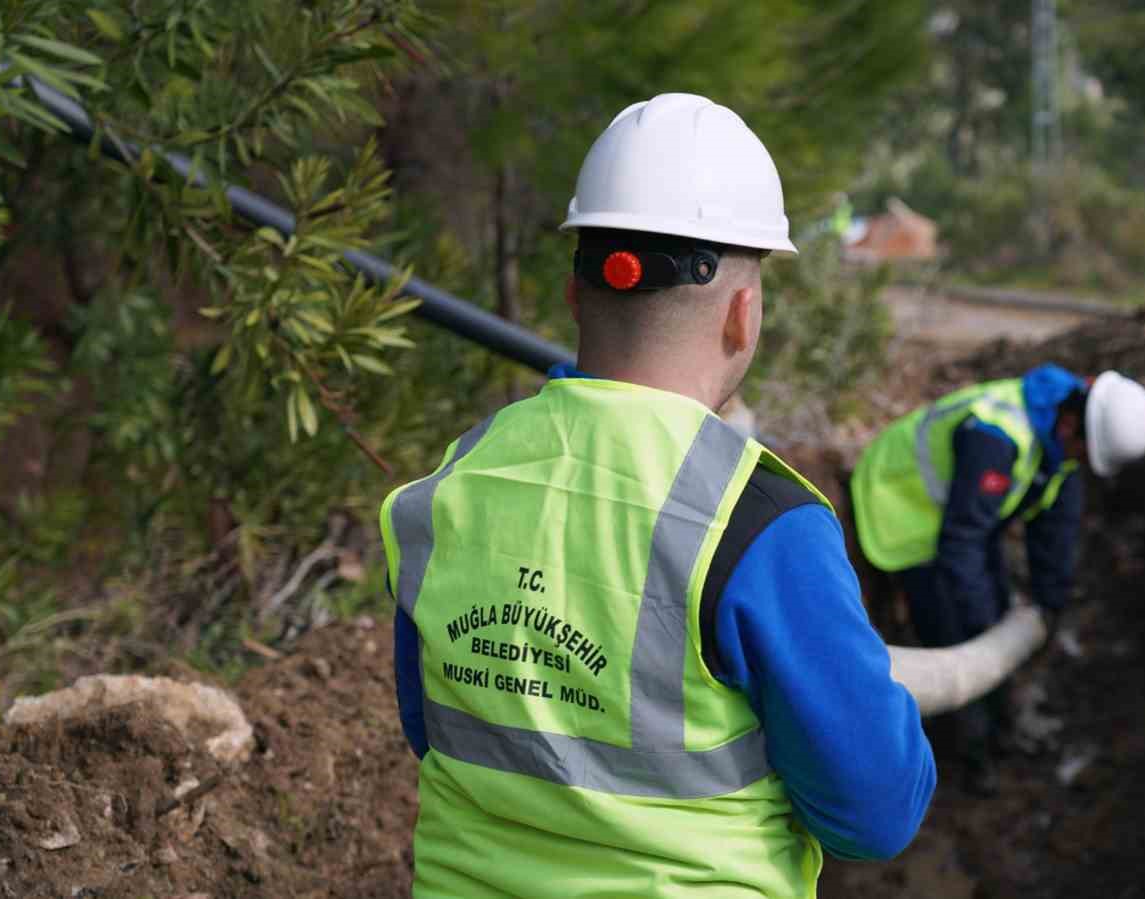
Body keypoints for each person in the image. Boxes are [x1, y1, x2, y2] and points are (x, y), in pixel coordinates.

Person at [381, 93, 935, 898]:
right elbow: (876, 814)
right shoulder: (760, 525)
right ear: (743, 315)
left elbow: (428, 727)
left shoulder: (447, 488)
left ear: (575, 295)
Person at [848, 365, 1145, 796]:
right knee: (953, 629)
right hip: (900, 509)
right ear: (1071, 425)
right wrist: (987, 632)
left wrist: (1050, 602)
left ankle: (1002, 723)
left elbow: (1055, 527)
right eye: (1083, 454)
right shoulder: (995, 436)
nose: (1082, 464)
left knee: (988, 600)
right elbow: (961, 546)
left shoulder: (1062, 440)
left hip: (961, 517)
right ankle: (972, 755)